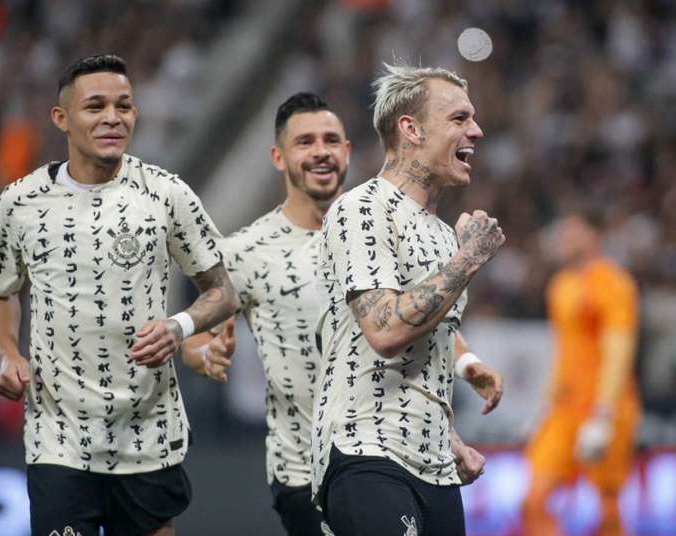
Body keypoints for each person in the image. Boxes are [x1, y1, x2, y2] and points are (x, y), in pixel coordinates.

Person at [181, 92, 503, 535]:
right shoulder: (247, 253)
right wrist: (205, 354)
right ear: (279, 157)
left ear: (347, 151)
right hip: (307, 463)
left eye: (331, 140)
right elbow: (196, 330)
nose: (320, 152)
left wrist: (466, 364)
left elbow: (417, 316)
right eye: (305, 142)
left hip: (386, 438)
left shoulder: (374, 225)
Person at [0, 54, 238, 536]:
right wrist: (7, 351)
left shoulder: (166, 194)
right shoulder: (20, 202)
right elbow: (0, 289)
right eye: (95, 106)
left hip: (147, 430)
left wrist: (178, 327)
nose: (112, 118)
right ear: (61, 118)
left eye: (124, 105)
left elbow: (222, 291)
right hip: (58, 434)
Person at [311, 63, 505, 536]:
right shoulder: (362, 209)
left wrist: (449, 426)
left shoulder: (441, 234)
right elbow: (386, 330)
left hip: (434, 463)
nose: (476, 131)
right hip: (367, 451)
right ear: (411, 129)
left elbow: (427, 335)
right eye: (459, 119)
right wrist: (469, 260)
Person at [522, 213, 640, 536]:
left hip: (604, 408)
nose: (563, 237)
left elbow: (619, 351)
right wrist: (544, 406)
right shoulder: (560, 286)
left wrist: (604, 413)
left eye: (572, 230)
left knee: (608, 510)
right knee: (534, 499)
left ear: (592, 235)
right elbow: (563, 352)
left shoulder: (613, 283)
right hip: (565, 409)